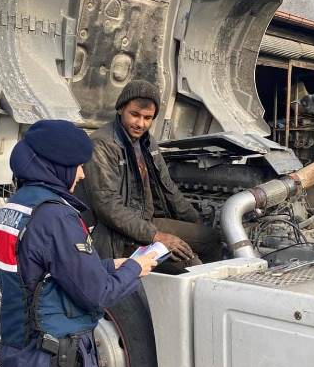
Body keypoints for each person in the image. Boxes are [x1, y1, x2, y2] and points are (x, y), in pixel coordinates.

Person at [0, 120, 158, 367]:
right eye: (77, 165)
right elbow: (96, 293)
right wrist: (135, 267)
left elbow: (41, 273)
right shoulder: (55, 216)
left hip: (22, 348)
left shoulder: (16, 207)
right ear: (56, 166)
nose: (82, 173)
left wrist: (104, 264)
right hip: (50, 361)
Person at [83, 79, 222, 273]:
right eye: (135, 115)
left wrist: (194, 220)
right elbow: (108, 206)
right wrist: (156, 236)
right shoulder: (101, 145)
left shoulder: (147, 142)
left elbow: (169, 189)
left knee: (213, 238)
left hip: (146, 223)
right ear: (121, 109)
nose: (140, 124)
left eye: (147, 118)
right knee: (188, 263)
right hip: (117, 234)